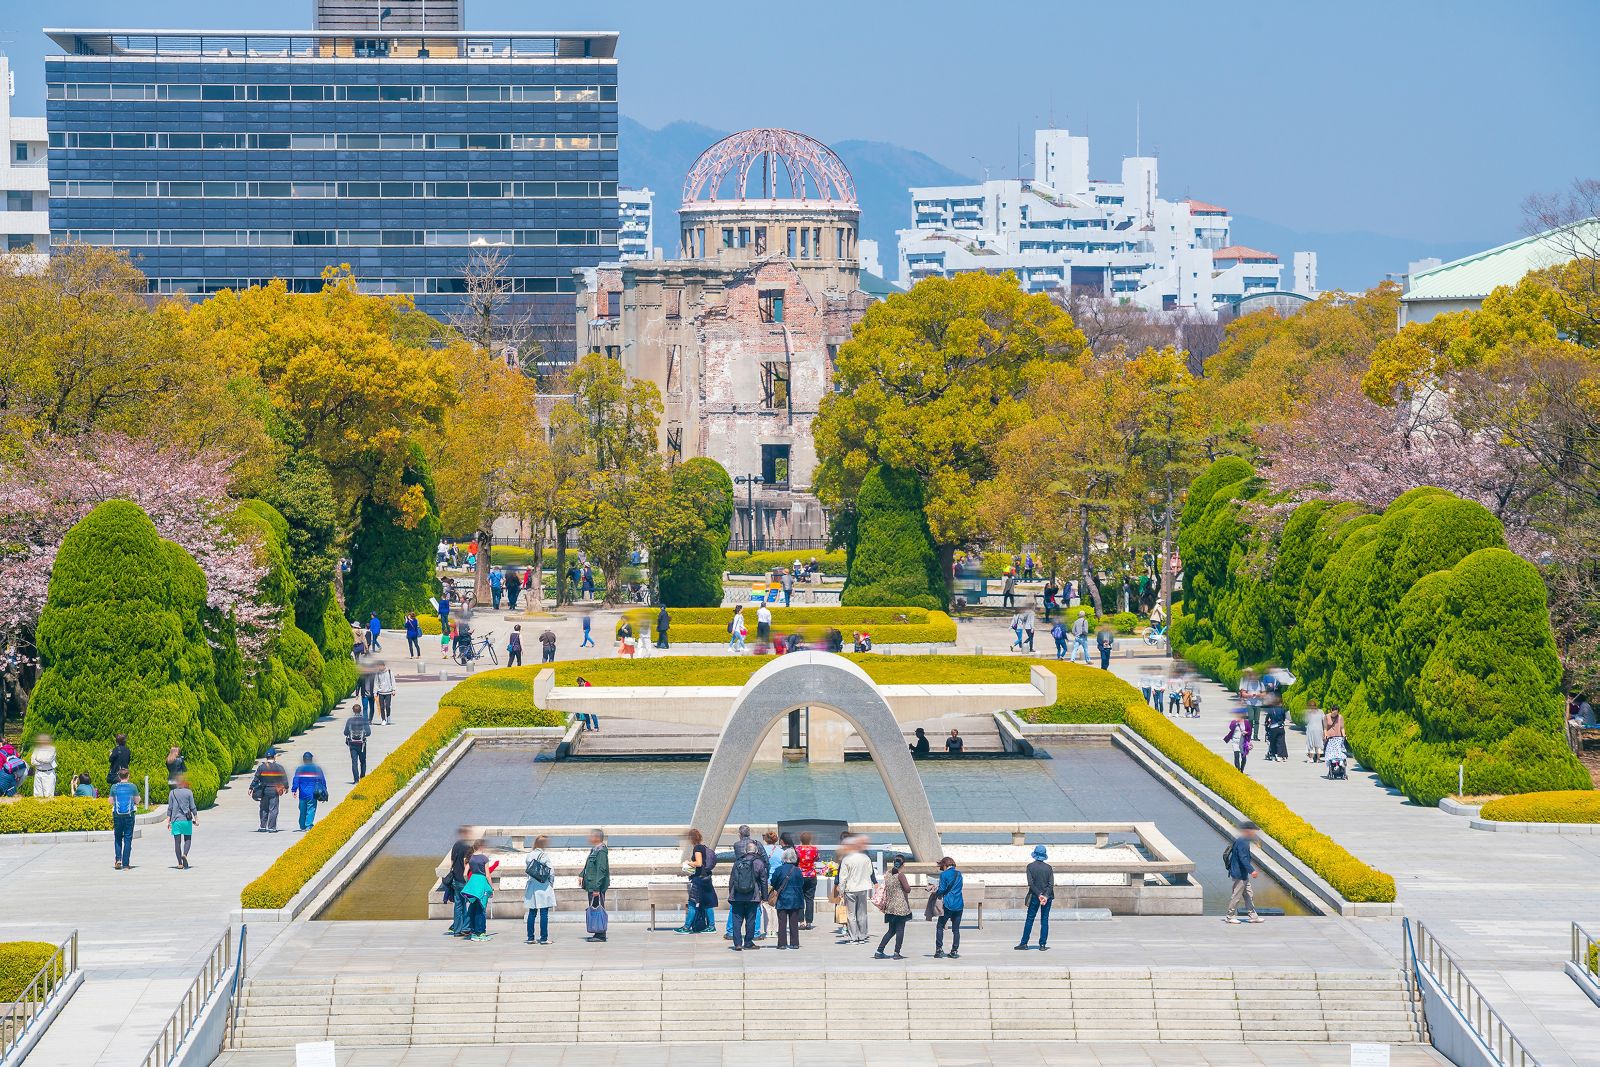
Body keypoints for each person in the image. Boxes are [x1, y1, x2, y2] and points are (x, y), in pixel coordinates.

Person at [726, 825, 769, 951]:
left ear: (745, 851)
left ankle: (737, 943)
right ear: (756, 851)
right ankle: (749, 942)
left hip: (737, 895)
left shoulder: (738, 862)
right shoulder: (759, 863)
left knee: (737, 919)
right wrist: (764, 897)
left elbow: (732, 879)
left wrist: (731, 894)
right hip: (753, 895)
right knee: (751, 919)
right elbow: (763, 881)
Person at [873, 855, 913, 960]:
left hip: (890, 906)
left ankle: (879, 950)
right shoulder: (900, 875)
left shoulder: (887, 874)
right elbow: (907, 889)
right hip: (900, 906)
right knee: (900, 930)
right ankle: (896, 953)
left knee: (891, 930)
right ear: (903, 864)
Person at [1224, 822, 1264, 924]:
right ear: (1248, 830)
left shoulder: (1243, 840)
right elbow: (1243, 858)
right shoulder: (1242, 842)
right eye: (1253, 830)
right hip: (1239, 874)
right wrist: (1252, 871)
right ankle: (1230, 916)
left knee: (1248, 894)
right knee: (1236, 895)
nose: (1255, 832)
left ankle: (1253, 916)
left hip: (1243, 874)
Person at [838, 835, 875, 944]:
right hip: (863, 888)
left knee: (851, 914)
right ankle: (862, 936)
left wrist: (841, 890)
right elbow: (870, 872)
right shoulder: (865, 858)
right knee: (862, 913)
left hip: (850, 888)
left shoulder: (846, 859)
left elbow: (843, 877)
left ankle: (853, 936)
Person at [679, 828, 718, 933]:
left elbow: (699, 863)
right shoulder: (704, 847)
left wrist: (689, 863)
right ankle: (712, 926)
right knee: (708, 903)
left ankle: (686, 928)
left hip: (699, 880)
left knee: (692, 903)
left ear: (691, 839)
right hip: (706, 879)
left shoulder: (697, 848)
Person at [1017, 844, 1054, 950]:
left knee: (1030, 919)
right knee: (1044, 920)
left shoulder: (1030, 866)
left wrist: (1039, 895)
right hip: (1047, 897)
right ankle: (1042, 945)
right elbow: (1050, 884)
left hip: (1035, 896)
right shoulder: (1049, 868)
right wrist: (1045, 896)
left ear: (1035, 855)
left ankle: (1024, 943)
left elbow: (1031, 884)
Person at [462, 840, 498, 942]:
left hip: (473, 882)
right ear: (482, 847)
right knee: (481, 909)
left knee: (473, 908)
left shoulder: (471, 858)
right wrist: (491, 887)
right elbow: (487, 875)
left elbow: (465, 873)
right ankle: (481, 932)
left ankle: (473, 932)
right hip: (482, 883)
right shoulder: (484, 858)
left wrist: (468, 882)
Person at [524, 834, 556, 945]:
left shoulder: (529, 855)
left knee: (532, 913)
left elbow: (527, 870)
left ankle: (530, 937)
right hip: (543, 886)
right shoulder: (544, 856)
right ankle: (543, 938)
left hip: (532, 886)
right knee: (544, 913)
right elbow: (551, 871)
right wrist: (551, 883)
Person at [771, 847, 804, 949]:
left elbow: (773, 882)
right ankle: (794, 943)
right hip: (795, 899)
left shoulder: (779, 870)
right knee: (794, 922)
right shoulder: (798, 870)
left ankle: (782, 944)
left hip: (782, 899)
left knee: (782, 923)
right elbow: (801, 883)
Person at [443, 828, 474, 937]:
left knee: (458, 905)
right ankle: (466, 928)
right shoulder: (468, 848)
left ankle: (457, 930)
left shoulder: (456, 845)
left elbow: (452, 861)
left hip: (455, 879)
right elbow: (468, 864)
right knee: (467, 904)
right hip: (464, 880)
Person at [933, 855, 965, 959]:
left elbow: (942, 889)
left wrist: (935, 891)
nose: (941, 868)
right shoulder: (959, 874)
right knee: (956, 929)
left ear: (945, 865)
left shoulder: (944, 874)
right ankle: (954, 951)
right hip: (959, 904)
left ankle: (939, 950)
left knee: (940, 926)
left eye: (942, 866)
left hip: (948, 904)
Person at [581, 829, 610, 942]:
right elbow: (589, 865)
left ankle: (600, 934)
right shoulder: (594, 850)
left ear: (597, 838)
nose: (589, 838)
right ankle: (597, 932)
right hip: (591, 884)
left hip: (596, 886)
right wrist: (581, 875)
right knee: (594, 908)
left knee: (598, 909)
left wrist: (597, 888)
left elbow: (601, 870)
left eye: (591, 836)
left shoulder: (601, 851)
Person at [250, 748, 288, 832]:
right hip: (274, 791)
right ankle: (271, 827)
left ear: (266, 757)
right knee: (273, 809)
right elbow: (284, 779)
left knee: (263, 808)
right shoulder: (279, 767)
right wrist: (286, 787)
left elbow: (256, 779)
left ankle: (263, 827)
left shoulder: (261, 767)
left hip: (263, 791)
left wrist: (251, 788)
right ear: (274, 757)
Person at [291, 752, 328, 831]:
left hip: (302, 794)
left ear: (303, 760)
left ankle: (302, 825)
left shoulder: (300, 769)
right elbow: (322, 780)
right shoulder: (316, 768)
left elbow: (296, 779)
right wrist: (325, 790)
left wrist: (294, 789)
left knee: (302, 809)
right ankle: (308, 825)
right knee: (311, 808)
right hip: (312, 793)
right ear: (311, 759)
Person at [167, 774, 198, 869]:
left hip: (176, 821)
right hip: (186, 820)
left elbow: (170, 808)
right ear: (184, 782)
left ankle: (180, 863)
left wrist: (168, 821)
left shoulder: (172, 793)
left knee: (177, 842)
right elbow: (193, 807)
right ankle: (184, 854)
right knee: (188, 839)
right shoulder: (189, 792)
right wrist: (196, 819)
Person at [110, 768, 138, 870]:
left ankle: (118, 859)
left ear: (119, 776)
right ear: (128, 776)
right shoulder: (133, 787)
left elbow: (110, 801)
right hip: (129, 815)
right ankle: (126, 864)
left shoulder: (114, 787)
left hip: (117, 815)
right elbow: (137, 800)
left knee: (117, 838)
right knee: (127, 839)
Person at [796, 831, 819, 930]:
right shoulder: (814, 849)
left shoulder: (797, 849)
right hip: (811, 875)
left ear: (800, 839)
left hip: (799, 875)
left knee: (799, 899)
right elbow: (817, 859)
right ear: (810, 839)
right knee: (809, 899)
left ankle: (801, 922)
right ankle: (809, 922)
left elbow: (794, 860)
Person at [344, 705, 371, 783]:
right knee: (363, 761)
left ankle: (356, 780)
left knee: (354, 762)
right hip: (362, 744)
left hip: (352, 744)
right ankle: (362, 777)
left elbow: (345, 733)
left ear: (353, 711)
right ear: (360, 710)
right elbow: (369, 733)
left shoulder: (350, 720)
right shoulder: (364, 720)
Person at [29, 735, 56, 799]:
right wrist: (42, 761)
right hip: (38, 773)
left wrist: (38, 758)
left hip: (48, 774)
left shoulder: (52, 749)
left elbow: (48, 759)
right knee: (37, 795)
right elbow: (32, 761)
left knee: (48, 795)